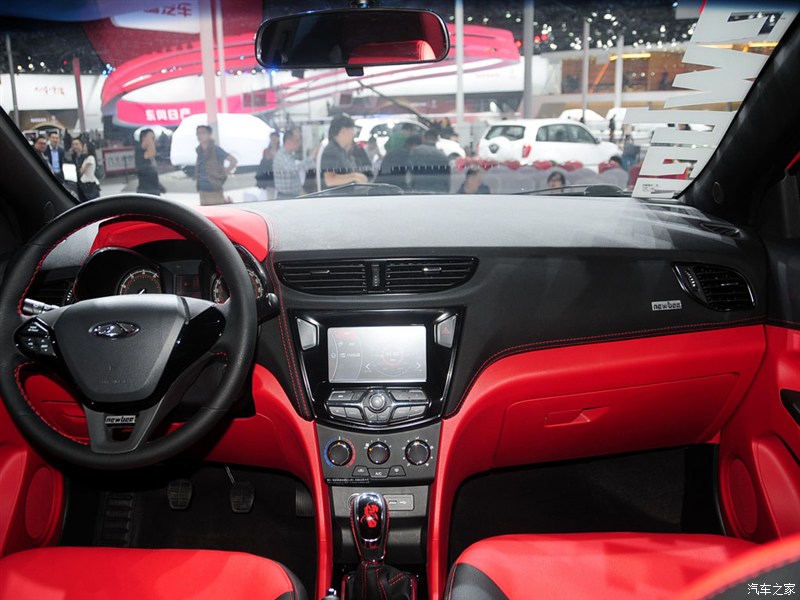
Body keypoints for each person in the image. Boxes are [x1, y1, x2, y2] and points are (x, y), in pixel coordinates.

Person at [319, 115, 368, 190]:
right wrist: (355, 176)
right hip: (336, 196)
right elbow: (330, 180)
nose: (353, 135)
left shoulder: (341, 150)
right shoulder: (331, 151)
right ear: (343, 131)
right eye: (352, 131)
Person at [195, 125, 237, 205]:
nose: (200, 135)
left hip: (213, 188)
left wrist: (223, 173)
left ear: (209, 135)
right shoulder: (199, 150)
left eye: (203, 133)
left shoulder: (215, 149)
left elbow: (233, 161)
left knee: (216, 210)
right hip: (202, 189)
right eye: (198, 133)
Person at [273, 127, 314, 199]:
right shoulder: (282, 156)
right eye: (297, 140)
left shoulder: (288, 155)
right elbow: (293, 168)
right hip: (285, 197)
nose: (299, 143)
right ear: (289, 142)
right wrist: (311, 157)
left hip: (290, 196)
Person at [407, 129, 450, 193]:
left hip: (419, 188)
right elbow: (446, 178)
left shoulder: (416, 151)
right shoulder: (443, 155)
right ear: (436, 140)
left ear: (423, 138)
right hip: (438, 190)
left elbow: (410, 169)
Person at [135, 128, 162, 195]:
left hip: (152, 189)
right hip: (146, 190)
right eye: (151, 138)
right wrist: (149, 137)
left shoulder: (147, 151)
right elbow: (152, 153)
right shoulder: (140, 151)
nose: (153, 141)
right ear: (144, 138)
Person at [255, 131, 281, 197]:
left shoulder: (282, 150)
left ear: (278, 139)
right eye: (272, 138)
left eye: (275, 138)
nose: (274, 140)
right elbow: (263, 164)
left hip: (280, 176)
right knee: (270, 195)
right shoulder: (266, 151)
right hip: (270, 177)